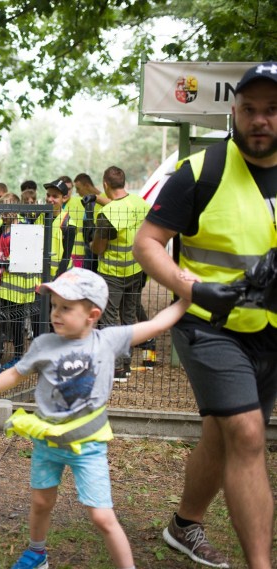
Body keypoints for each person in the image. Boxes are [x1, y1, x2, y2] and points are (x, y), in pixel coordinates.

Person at [133, 61, 277, 569]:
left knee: (223, 432)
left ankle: (184, 525)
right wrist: (190, 286)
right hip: (208, 325)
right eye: (250, 109)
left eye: (273, 110)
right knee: (247, 432)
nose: (261, 120)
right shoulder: (201, 169)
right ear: (234, 113)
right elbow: (146, 243)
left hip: (269, 333)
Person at [0, 267, 191, 569]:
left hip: (89, 445)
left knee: (102, 516)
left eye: (66, 308)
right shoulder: (44, 344)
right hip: (48, 442)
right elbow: (14, 374)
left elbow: (157, 324)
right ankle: (37, 553)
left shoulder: (108, 340)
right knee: (42, 502)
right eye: (55, 305)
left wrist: (186, 299)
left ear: (92, 314)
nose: (56, 313)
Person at [90, 166, 150, 381]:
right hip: (135, 269)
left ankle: (113, 368)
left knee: (108, 320)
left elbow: (98, 248)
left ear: (105, 184)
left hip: (112, 273)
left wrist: (91, 241)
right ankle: (124, 366)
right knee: (128, 318)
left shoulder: (107, 215)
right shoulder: (140, 203)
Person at [0, 193, 35, 379]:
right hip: (2, 283)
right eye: (1, 207)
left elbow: (26, 257)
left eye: (8, 207)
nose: (4, 211)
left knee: (16, 323)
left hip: (17, 286)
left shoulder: (23, 228)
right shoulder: (0, 228)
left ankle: (18, 357)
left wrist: (5, 263)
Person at [43, 179, 77, 279]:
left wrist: (57, 280)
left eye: (55, 196)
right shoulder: (38, 217)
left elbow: (66, 257)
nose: (49, 199)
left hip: (61, 276)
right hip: (41, 275)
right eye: (48, 195)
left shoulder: (68, 224)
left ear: (64, 198)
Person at [72, 172, 105, 273]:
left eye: (78, 188)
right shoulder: (86, 202)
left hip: (96, 251)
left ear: (87, 185)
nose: (77, 192)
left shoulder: (104, 200)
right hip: (87, 250)